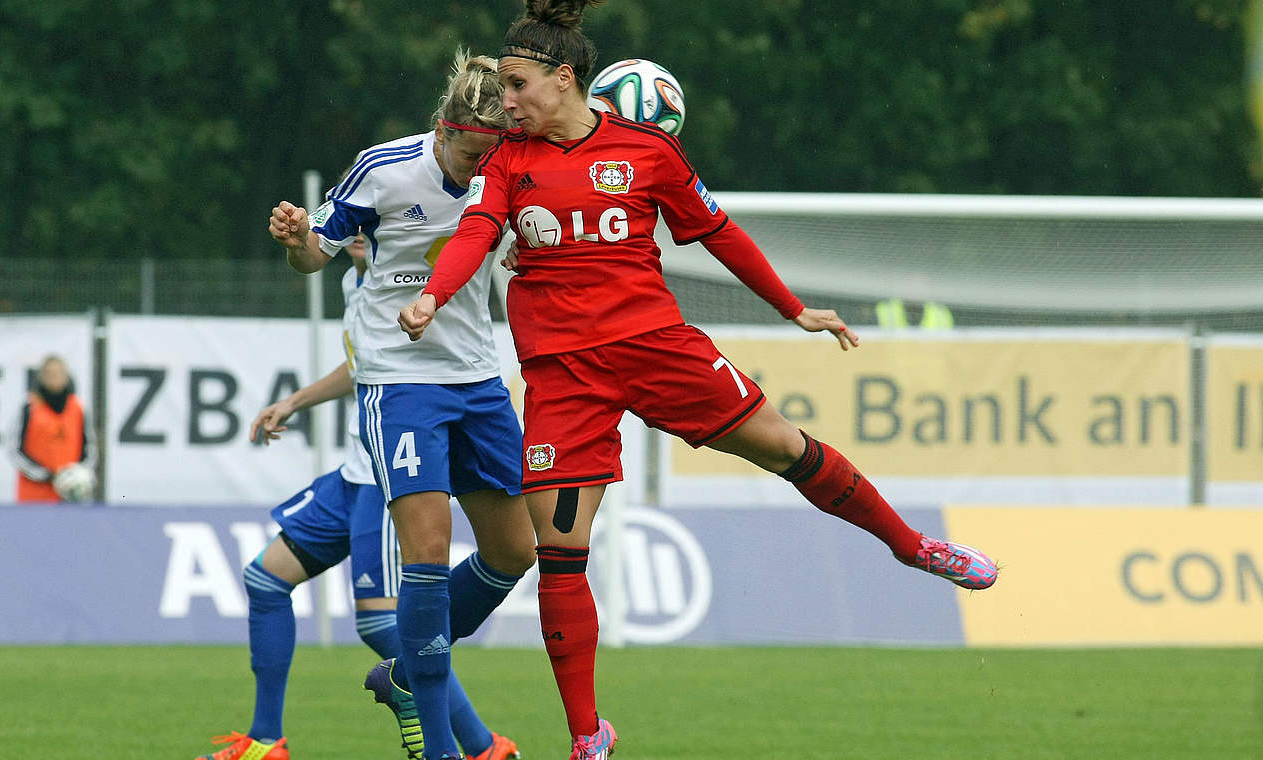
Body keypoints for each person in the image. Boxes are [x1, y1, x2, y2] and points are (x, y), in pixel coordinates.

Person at [397, 3, 999, 758]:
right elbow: (478, 234)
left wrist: (792, 309)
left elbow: (717, 231)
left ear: (563, 78)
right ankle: (587, 737)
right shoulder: (510, 163)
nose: (506, 101)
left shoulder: (646, 151)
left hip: (658, 350)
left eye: (516, 85)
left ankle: (912, 547)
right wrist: (433, 294)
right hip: (564, 378)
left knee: (785, 447)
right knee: (559, 551)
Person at [269, 50, 537, 760]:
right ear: (444, 129)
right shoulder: (383, 168)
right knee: (427, 553)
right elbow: (315, 257)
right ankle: (447, 752)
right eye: (471, 152)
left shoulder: (510, 169)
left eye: (493, 154)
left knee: (515, 551)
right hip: (399, 378)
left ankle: (407, 672)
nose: (481, 169)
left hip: (478, 378)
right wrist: (299, 242)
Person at [194, 241, 519, 760]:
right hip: (351, 473)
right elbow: (361, 364)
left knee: (381, 624)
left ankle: (482, 746)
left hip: (385, 475)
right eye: (358, 226)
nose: (363, 237)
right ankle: (265, 740)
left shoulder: (416, 279)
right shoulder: (354, 284)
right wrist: (295, 401)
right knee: (266, 578)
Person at [9, 354, 96, 503]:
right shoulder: (29, 407)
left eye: (59, 373)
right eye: (50, 373)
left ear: (67, 376)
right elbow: (14, 450)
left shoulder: (78, 407)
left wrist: (75, 475)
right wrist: (48, 476)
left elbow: (90, 448)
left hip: (69, 496)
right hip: (34, 497)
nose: (54, 377)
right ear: (41, 377)